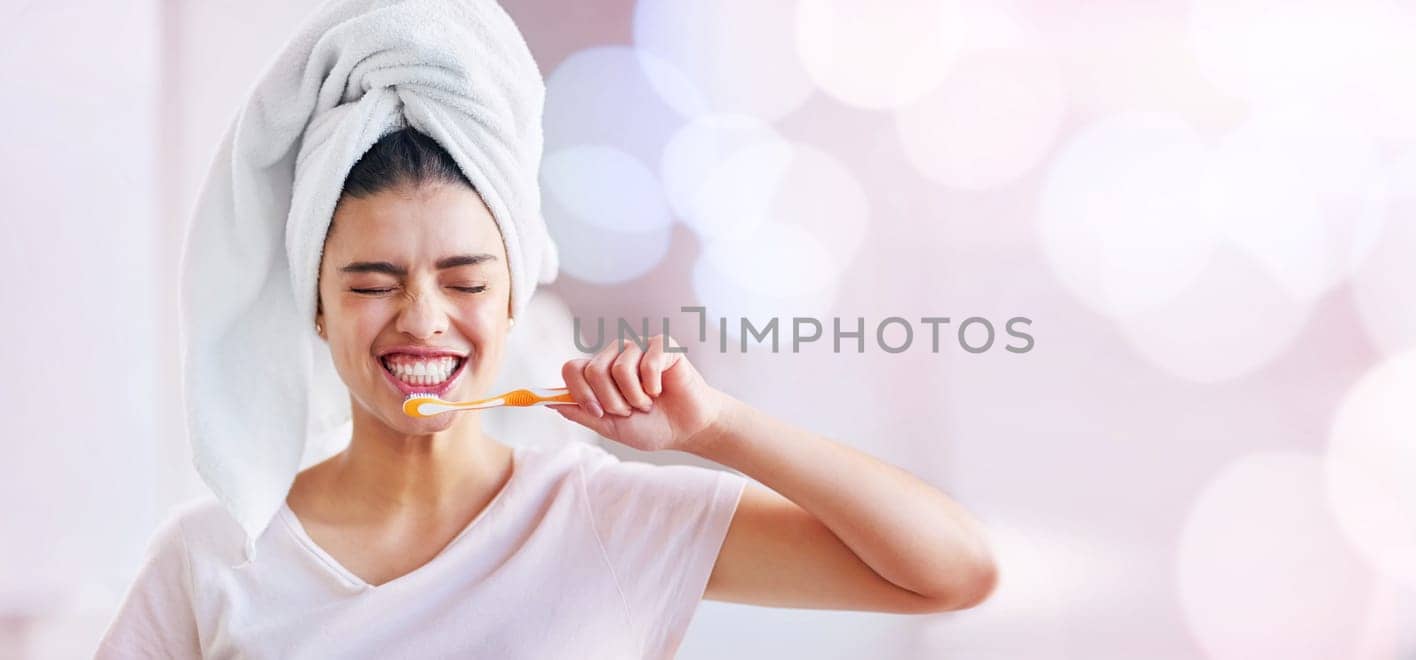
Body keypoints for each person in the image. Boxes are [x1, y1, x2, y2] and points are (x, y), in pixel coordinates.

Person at [94, 128, 997, 658]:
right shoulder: (216, 556)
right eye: (372, 282)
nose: (422, 318)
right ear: (318, 309)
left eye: (466, 281)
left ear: (516, 299)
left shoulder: (603, 516)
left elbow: (952, 572)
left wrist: (715, 427)